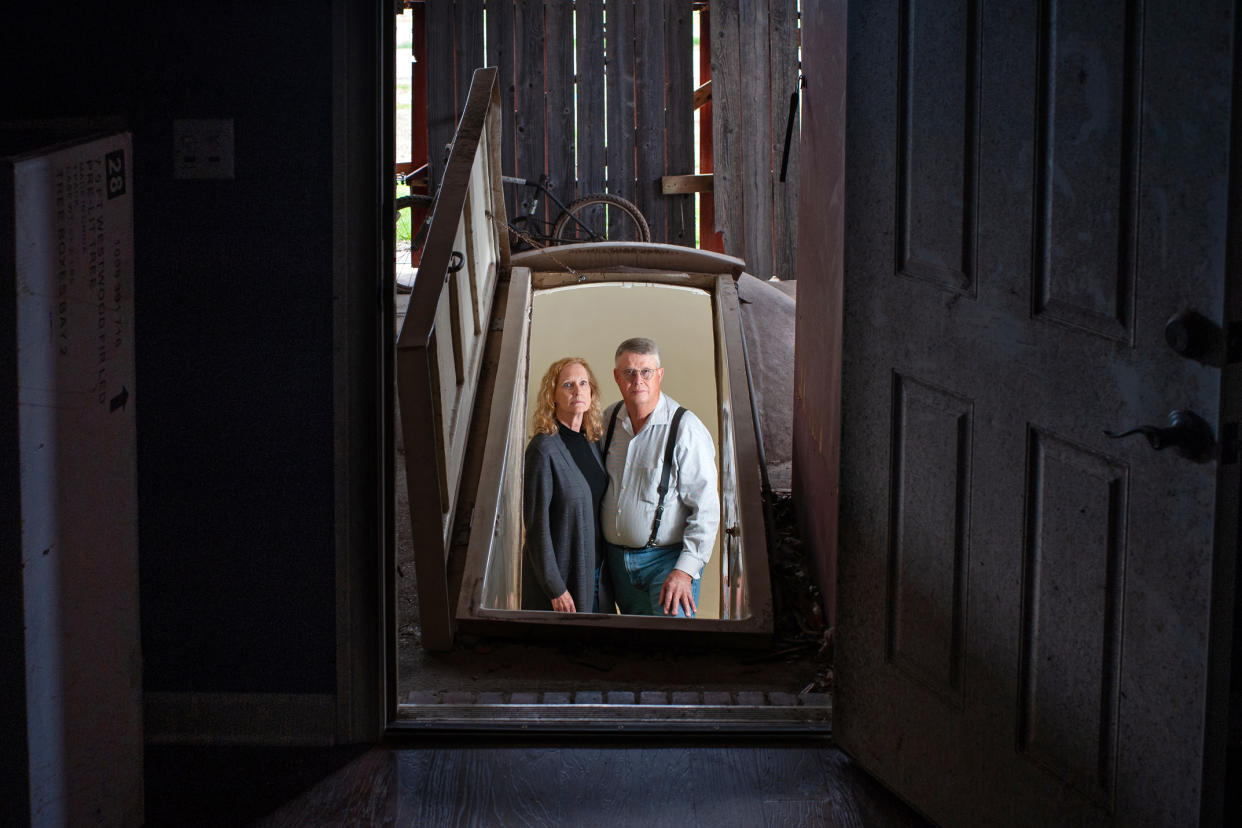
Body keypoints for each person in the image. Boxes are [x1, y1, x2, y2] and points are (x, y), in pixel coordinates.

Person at [601, 337, 718, 617]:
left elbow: (706, 509)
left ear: (659, 375)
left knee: (672, 650)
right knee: (634, 651)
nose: (637, 380)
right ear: (617, 377)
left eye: (646, 371)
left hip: (668, 564)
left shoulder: (686, 429)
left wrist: (685, 571)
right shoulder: (607, 420)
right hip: (615, 563)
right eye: (629, 372)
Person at [521, 357, 614, 613]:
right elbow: (536, 527)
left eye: (583, 383)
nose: (577, 390)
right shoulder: (543, 449)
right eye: (568, 385)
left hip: (596, 572)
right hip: (564, 577)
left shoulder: (592, 442)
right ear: (552, 395)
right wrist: (555, 587)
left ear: (591, 391)